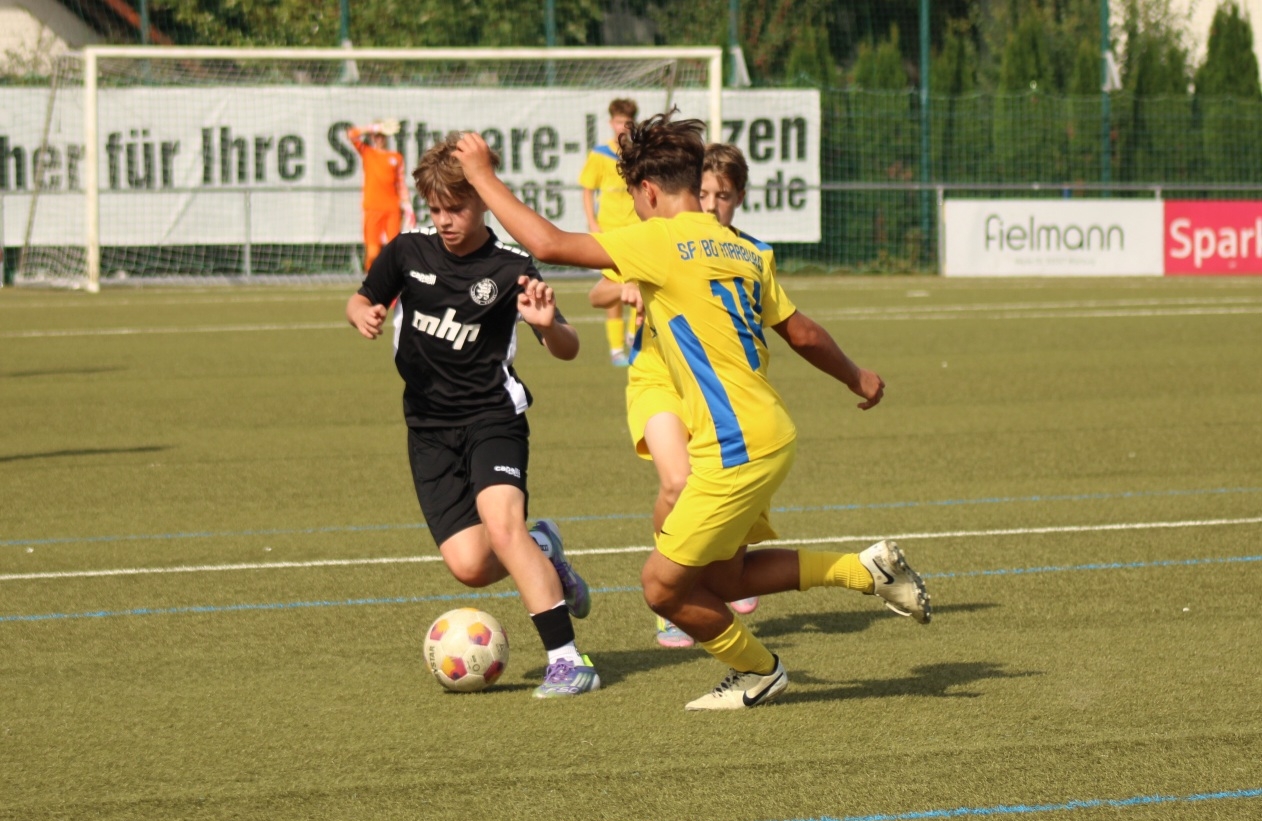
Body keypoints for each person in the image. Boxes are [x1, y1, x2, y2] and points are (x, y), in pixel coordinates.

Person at [453, 114, 930, 711]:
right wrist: (857, 375)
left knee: (661, 588)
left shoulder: (657, 241)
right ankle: (867, 571)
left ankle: (758, 671)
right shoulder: (744, 248)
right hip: (767, 433)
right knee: (727, 579)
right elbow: (801, 332)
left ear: (648, 192)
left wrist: (483, 175)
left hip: (736, 448)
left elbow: (547, 243)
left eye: (634, 198)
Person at [346, 132, 599, 699]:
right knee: (469, 566)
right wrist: (361, 313)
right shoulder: (407, 252)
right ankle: (545, 548)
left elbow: (568, 347)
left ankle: (568, 661)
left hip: (492, 419)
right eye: (436, 209)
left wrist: (548, 324)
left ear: (482, 201)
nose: (445, 220)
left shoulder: (511, 266)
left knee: (503, 527)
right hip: (428, 429)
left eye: (456, 208)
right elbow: (361, 298)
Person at [587, 143, 766, 649]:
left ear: (739, 198)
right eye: (704, 194)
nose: (712, 205)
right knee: (677, 482)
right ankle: (672, 592)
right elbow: (597, 292)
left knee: (723, 482)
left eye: (723, 196)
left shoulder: (744, 252)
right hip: (659, 378)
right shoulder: (657, 239)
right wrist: (625, 289)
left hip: (717, 385)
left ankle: (724, 570)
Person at [578, 98, 639, 366]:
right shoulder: (600, 154)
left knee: (641, 283)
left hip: (637, 231)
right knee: (613, 287)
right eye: (618, 122)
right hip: (610, 233)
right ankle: (616, 349)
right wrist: (592, 223)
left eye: (627, 122)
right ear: (610, 123)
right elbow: (588, 190)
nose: (622, 127)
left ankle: (634, 337)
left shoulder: (639, 153)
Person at [347, 119, 416, 272]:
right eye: (377, 135)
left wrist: (408, 206)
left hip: (392, 208)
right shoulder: (367, 152)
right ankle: (371, 278)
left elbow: (400, 183)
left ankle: (393, 281)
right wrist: (373, 127)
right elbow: (351, 134)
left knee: (394, 250)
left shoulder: (396, 157)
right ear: (372, 137)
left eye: (382, 135)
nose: (379, 138)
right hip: (373, 208)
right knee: (373, 252)